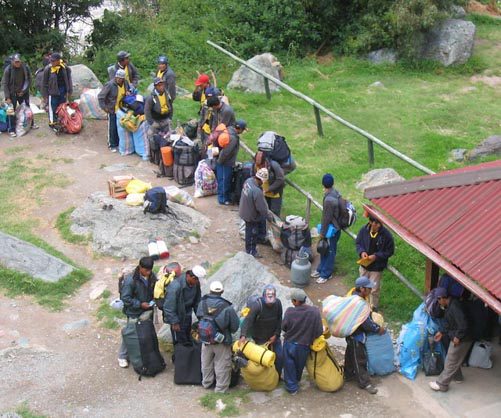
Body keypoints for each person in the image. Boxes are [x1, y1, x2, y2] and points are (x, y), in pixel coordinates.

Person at [196, 281, 239, 393]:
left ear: (210, 290)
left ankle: (206, 383)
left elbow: (199, 317)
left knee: (206, 362)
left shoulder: (202, 302)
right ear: (222, 292)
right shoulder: (227, 307)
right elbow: (234, 327)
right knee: (222, 365)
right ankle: (220, 389)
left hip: (205, 338)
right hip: (222, 340)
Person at [344, 276, 384, 394]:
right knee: (359, 359)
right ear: (362, 289)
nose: (370, 290)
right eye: (368, 288)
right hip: (356, 335)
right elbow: (366, 323)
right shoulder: (359, 304)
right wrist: (378, 329)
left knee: (350, 354)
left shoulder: (352, 296)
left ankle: (348, 374)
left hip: (350, 333)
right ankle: (365, 383)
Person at [429, 287, 472, 392]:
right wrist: (441, 332)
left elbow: (463, 324)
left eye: (438, 300)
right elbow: (449, 323)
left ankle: (442, 384)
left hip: (462, 338)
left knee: (450, 360)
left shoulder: (455, 307)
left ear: (442, 298)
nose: (438, 303)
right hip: (459, 335)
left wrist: (458, 337)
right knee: (454, 359)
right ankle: (458, 378)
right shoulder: (449, 306)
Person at [118, 256, 157, 368]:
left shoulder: (151, 276)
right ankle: (122, 356)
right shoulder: (130, 280)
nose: (148, 273)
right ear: (140, 267)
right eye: (146, 270)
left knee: (143, 333)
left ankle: (140, 353)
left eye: (150, 270)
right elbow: (125, 298)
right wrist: (140, 304)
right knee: (130, 332)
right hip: (134, 312)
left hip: (147, 310)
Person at [282, 288, 323, 395]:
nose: (292, 302)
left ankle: (292, 388)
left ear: (296, 301)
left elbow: (284, 327)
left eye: (292, 300)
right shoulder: (315, 311)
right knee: (299, 365)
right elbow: (319, 331)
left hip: (290, 344)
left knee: (289, 364)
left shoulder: (290, 312)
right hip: (304, 345)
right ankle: (296, 380)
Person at [239, 284, 283, 374]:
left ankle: (277, 377)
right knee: (263, 359)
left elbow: (279, 320)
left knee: (279, 356)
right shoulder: (257, 305)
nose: (270, 300)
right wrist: (243, 335)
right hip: (260, 337)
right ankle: (265, 377)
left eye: (272, 297)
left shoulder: (278, 303)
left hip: (274, 336)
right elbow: (248, 321)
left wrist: (276, 334)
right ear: (263, 297)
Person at [355, 216, 395, 311]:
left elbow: (390, 251)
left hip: (376, 268)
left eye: (379, 224)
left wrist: (376, 256)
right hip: (364, 266)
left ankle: (373, 308)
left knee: (374, 289)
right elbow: (358, 243)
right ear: (370, 222)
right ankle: (361, 306)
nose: (378, 226)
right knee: (362, 287)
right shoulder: (363, 230)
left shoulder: (387, 235)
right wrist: (362, 252)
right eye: (376, 224)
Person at [162, 265, 206, 345]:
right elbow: (168, 307)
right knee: (179, 342)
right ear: (191, 277)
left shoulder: (196, 284)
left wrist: (201, 317)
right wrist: (174, 322)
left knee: (187, 338)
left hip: (187, 315)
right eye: (197, 281)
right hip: (177, 317)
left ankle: (187, 354)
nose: (197, 283)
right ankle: (179, 355)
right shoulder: (175, 286)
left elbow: (197, 302)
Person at [311, 173, 342, 284]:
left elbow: (326, 218)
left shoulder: (329, 200)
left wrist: (322, 234)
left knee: (329, 251)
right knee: (325, 249)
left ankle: (326, 274)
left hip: (331, 230)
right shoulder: (336, 192)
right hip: (335, 228)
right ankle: (320, 269)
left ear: (323, 184)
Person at [2, 54, 38, 138]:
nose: (18, 63)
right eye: (16, 62)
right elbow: (5, 84)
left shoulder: (25, 68)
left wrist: (24, 90)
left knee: (27, 109)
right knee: (10, 111)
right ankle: (11, 130)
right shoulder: (8, 70)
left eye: (19, 61)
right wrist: (7, 97)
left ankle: (31, 124)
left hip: (23, 92)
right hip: (12, 94)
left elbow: (28, 79)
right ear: (12, 62)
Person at [239, 168, 271, 258]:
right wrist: (269, 216)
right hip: (251, 216)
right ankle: (251, 251)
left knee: (250, 229)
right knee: (252, 232)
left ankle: (259, 238)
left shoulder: (248, 181)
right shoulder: (257, 191)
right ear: (262, 180)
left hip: (244, 209)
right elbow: (262, 209)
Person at [98, 69, 130, 152]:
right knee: (112, 128)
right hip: (112, 109)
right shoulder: (110, 85)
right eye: (118, 78)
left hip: (122, 108)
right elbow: (101, 97)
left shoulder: (125, 83)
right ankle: (111, 145)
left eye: (121, 78)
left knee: (120, 127)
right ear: (116, 77)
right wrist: (104, 108)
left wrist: (128, 92)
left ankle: (118, 143)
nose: (119, 80)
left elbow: (129, 89)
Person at [215, 119, 246, 205]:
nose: (243, 131)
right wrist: (220, 162)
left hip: (222, 161)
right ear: (239, 128)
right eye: (243, 129)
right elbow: (226, 152)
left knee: (223, 179)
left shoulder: (228, 130)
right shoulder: (233, 138)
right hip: (224, 162)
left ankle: (223, 196)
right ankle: (223, 199)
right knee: (224, 180)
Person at [42, 52, 73, 131]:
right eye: (51, 61)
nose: (51, 62)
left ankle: (61, 122)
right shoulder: (48, 69)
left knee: (62, 107)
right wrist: (45, 96)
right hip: (52, 92)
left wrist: (69, 91)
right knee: (53, 107)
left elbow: (69, 80)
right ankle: (53, 124)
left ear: (59, 61)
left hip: (62, 90)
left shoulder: (65, 68)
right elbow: (44, 83)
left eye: (53, 61)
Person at [255, 150, 285, 217]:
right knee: (264, 211)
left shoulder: (274, 165)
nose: (260, 167)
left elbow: (280, 179)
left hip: (275, 194)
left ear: (265, 162)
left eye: (261, 165)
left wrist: (269, 189)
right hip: (263, 193)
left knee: (274, 214)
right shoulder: (255, 165)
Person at [144, 77, 173, 142]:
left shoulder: (167, 94)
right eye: (159, 85)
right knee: (151, 136)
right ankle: (154, 150)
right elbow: (147, 111)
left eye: (162, 85)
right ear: (155, 86)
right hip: (155, 120)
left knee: (170, 136)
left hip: (166, 119)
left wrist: (170, 118)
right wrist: (151, 122)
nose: (161, 87)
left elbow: (171, 106)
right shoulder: (151, 98)